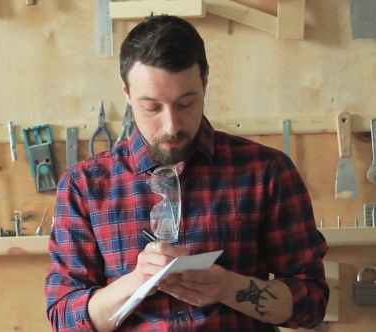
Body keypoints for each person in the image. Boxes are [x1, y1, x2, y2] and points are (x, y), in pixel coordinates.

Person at [45, 14, 329, 332]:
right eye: (151, 107)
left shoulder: (266, 172)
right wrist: (136, 283)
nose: (171, 126)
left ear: (205, 82)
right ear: (126, 92)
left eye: (186, 103)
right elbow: (64, 319)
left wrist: (229, 288)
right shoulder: (83, 186)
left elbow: (313, 302)